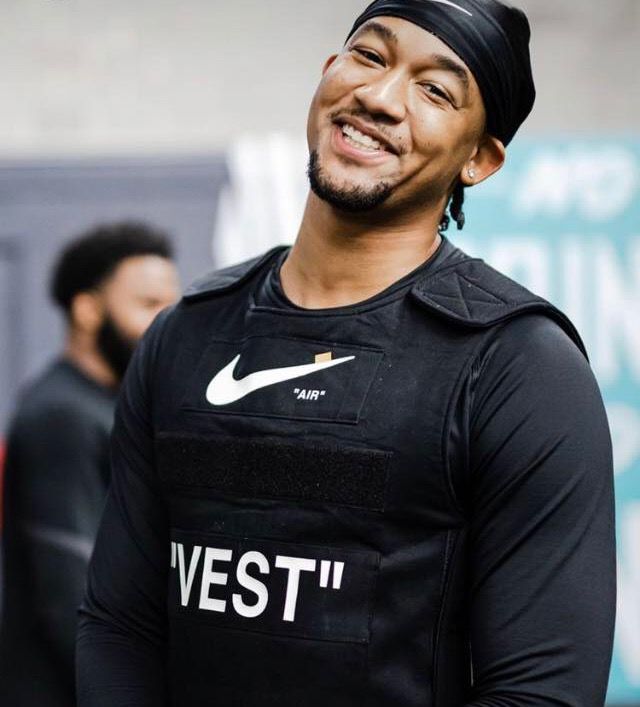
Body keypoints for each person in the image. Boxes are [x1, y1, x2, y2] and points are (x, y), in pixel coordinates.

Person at [77, 2, 616, 706]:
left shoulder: (519, 368)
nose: (381, 97)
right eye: (370, 56)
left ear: (479, 157)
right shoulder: (186, 334)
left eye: (435, 90)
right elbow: (120, 623)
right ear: (329, 72)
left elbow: (543, 691)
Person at [0, 222, 180, 706]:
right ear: (87, 310)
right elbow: (70, 593)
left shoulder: (109, 406)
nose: (167, 322)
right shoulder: (61, 415)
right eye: (147, 305)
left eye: (171, 306)